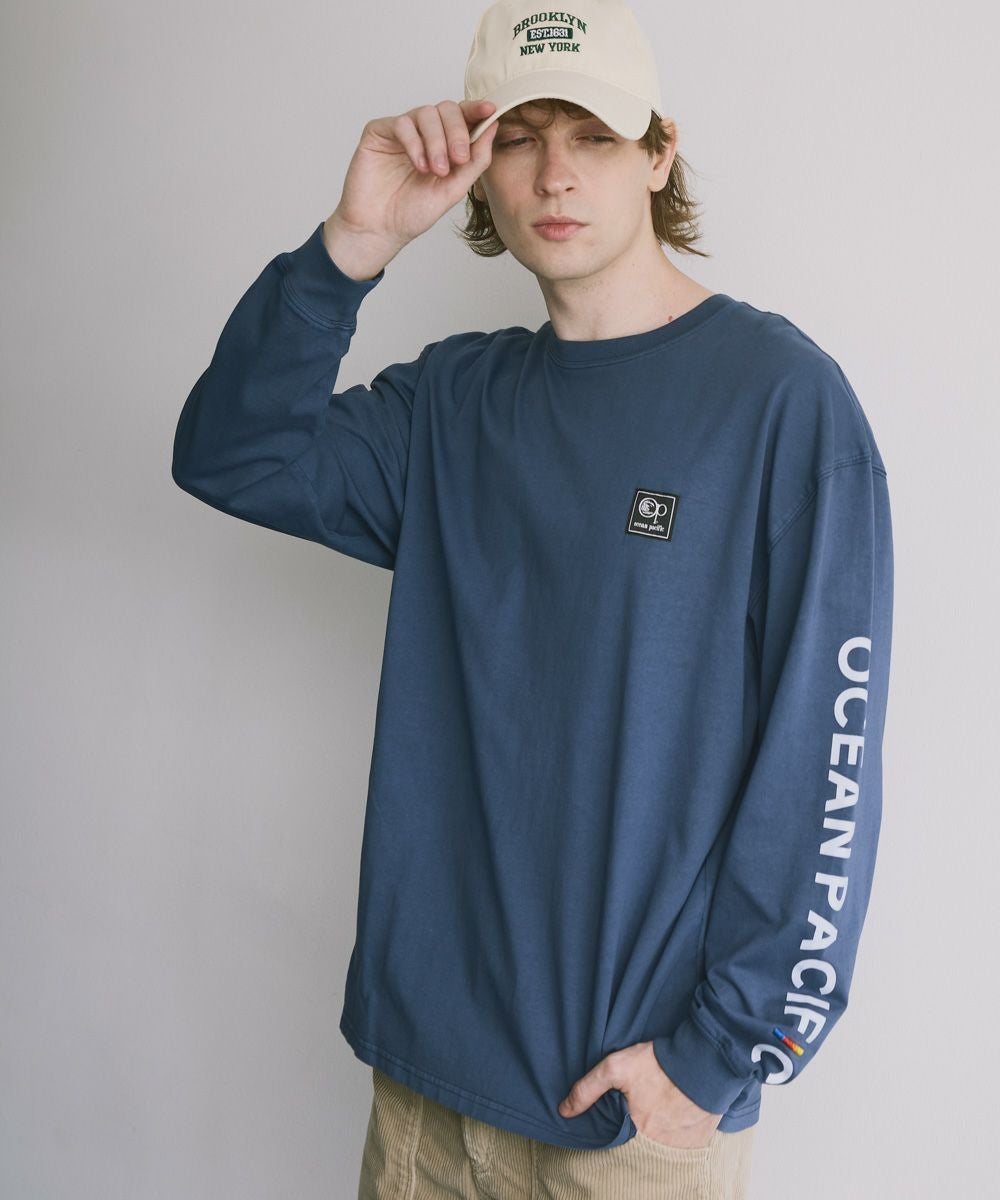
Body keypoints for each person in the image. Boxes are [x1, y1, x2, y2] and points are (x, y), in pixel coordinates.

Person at [171, 0, 894, 1195]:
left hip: (627, 1116)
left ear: (658, 153)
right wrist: (350, 245)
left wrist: (721, 1058)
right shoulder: (451, 405)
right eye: (517, 138)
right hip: (422, 1092)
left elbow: (827, 759)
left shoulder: (779, 404)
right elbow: (231, 456)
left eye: (594, 136)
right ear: (476, 168)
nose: (555, 174)